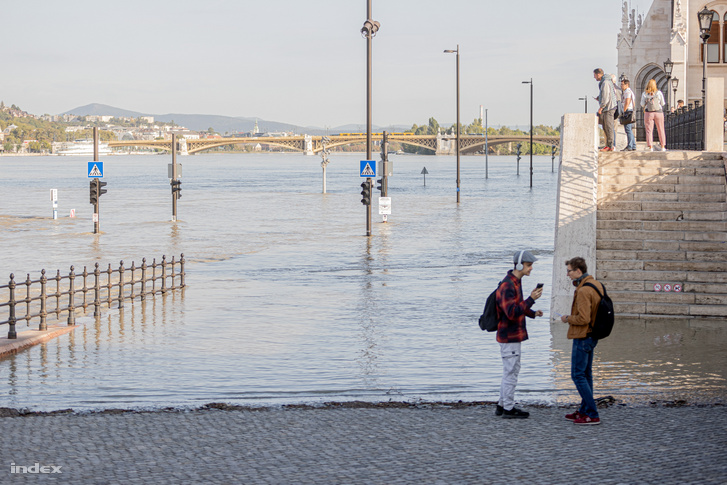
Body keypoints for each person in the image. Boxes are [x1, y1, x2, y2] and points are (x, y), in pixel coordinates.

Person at [494, 250, 544, 419]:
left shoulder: (515, 281)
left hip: (511, 335)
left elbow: (517, 307)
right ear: (520, 265)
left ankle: (501, 405)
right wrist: (531, 299)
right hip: (510, 336)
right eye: (529, 265)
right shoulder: (508, 285)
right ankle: (508, 408)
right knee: (512, 372)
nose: (531, 269)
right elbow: (511, 312)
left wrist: (532, 313)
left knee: (509, 371)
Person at [559, 257, 604, 426]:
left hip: (583, 336)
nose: (567, 274)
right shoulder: (596, 284)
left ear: (578, 271)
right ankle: (585, 410)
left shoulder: (584, 290)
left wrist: (567, 318)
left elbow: (583, 318)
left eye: (569, 271)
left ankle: (592, 413)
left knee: (577, 375)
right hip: (593, 335)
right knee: (586, 375)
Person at [594, 68, 617, 152]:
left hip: (609, 108)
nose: (594, 77)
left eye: (595, 75)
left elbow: (606, 97)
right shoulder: (605, 81)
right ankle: (608, 145)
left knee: (608, 126)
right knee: (606, 126)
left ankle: (610, 146)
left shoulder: (605, 82)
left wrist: (601, 107)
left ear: (598, 74)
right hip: (608, 107)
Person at [641, 79, 667, 151]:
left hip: (648, 113)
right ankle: (662, 146)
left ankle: (650, 147)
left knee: (649, 130)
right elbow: (663, 103)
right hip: (658, 112)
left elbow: (642, 104)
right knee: (661, 129)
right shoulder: (659, 93)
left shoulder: (645, 94)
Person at [620, 79, 636, 151]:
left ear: (626, 85)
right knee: (629, 129)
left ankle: (630, 146)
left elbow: (627, 101)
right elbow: (633, 103)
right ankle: (633, 145)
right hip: (630, 110)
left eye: (622, 84)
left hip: (627, 111)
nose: (621, 86)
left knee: (628, 129)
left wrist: (624, 110)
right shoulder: (631, 92)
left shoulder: (627, 92)